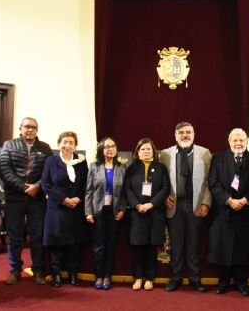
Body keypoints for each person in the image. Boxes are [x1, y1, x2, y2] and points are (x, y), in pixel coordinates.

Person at [0, 117, 54, 285]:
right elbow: (4, 169)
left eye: (34, 128)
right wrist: (24, 188)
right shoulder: (9, 145)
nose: (30, 130)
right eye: (27, 127)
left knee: (37, 237)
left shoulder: (45, 148)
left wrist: (37, 186)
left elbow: (50, 171)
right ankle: (15, 270)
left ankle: (38, 270)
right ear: (20, 128)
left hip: (37, 200)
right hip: (14, 199)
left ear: (37, 130)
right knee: (14, 237)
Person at [206, 129, 249, 296]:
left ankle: (241, 282)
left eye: (241, 140)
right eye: (235, 140)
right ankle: (223, 281)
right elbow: (213, 183)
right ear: (229, 141)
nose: (238, 143)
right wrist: (229, 200)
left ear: (246, 141)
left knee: (243, 247)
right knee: (222, 246)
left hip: (247, 211)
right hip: (224, 210)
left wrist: (245, 200)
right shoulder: (217, 158)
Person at [159, 122, 212, 292]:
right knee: (175, 245)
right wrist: (164, 196)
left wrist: (206, 202)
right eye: (181, 132)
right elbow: (162, 180)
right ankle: (175, 278)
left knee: (193, 244)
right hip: (174, 204)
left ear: (194, 135)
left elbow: (210, 181)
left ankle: (195, 278)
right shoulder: (165, 154)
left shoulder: (204, 153)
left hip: (195, 204)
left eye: (188, 132)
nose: (185, 135)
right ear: (175, 136)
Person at [42, 131, 90, 287]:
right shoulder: (51, 161)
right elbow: (46, 184)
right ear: (59, 144)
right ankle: (56, 275)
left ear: (75, 146)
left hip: (76, 209)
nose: (67, 145)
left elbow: (87, 184)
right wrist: (63, 199)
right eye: (64, 142)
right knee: (56, 245)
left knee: (74, 245)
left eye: (71, 143)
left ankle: (73, 274)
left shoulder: (82, 162)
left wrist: (79, 198)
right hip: (57, 209)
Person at [125, 138, 169, 291]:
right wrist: (137, 205)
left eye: (148, 149)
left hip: (155, 213)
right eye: (142, 149)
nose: (145, 151)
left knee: (151, 248)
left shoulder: (161, 168)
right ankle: (138, 278)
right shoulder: (131, 168)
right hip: (137, 214)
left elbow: (165, 188)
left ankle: (149, 279)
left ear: (154, 151)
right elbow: (127, 189)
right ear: (137, 152)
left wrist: (151, 204)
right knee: (137, 248)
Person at [84, 137, 127, 290]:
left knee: (111, 245)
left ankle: (107, 275)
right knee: (98, 246)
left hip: (114, 212)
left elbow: (124, 193)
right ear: (101, 150)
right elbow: (88, 191)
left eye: (113, 146)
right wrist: (88, 212)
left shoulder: (122, 168)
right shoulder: (94, 167)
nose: (110, 149)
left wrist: (122, 209)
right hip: (97, 212)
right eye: (107, 147)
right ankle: (99, 276)